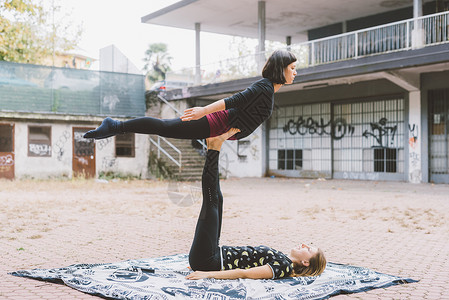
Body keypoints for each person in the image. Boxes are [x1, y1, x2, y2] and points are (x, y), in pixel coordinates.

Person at [186, 128, 326, 280]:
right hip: (211, 255)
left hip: (208, 261)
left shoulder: (283, 267)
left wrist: (207, 274)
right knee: (217, 199)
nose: (304, 244)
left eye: (309, 249)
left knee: (211, 200)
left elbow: (245, 274)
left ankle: (214, 147)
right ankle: (214, 146)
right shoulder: (283, 260)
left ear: (306, 262)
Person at [83, 49, 298, 141]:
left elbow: (245, 117)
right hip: (214, 122)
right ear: (281, 68)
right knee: (164, 127)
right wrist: (203, 110)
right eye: (292, 68)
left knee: (164, 128)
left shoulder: (268, 90)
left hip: (219, 129)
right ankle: (116, 125)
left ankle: (117, 126)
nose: (295, 72)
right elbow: (235, 100)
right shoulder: (264, 87)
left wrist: (227, 136)